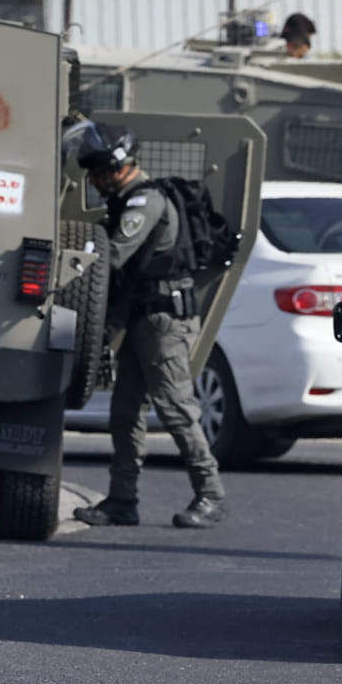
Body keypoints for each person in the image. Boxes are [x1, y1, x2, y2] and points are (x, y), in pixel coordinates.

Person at [71, 122, 228, 529]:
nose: (93, 181)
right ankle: (122, 499)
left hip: (165, 322)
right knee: (125, 412)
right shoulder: (128, 200)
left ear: (117, 166)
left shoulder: (145, 202)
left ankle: (211, 494)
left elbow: (114, 255)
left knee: (176, 409)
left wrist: (71, 268)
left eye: (98, 172)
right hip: (144, 319)